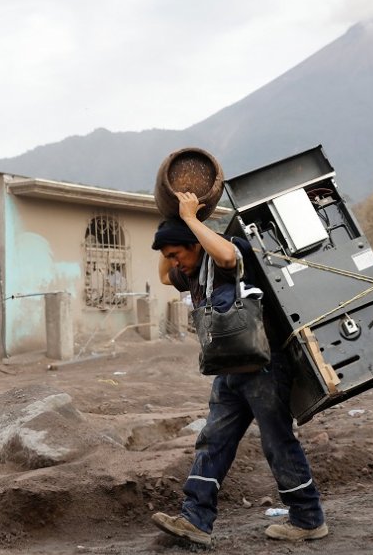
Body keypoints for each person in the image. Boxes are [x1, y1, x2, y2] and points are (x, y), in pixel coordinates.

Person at [149, 191, 327, 546]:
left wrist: (190, 220)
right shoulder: (193, 271)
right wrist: (169, 218)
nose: (173, 262)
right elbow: (166, 278)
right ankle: (195, 519)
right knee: (212, 440)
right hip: (229, 370)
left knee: (277, 441)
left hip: (264, 366)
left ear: (195, 243)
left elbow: (229, 255)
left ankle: (308, 519)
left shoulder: (227, 251)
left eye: (176, 254)